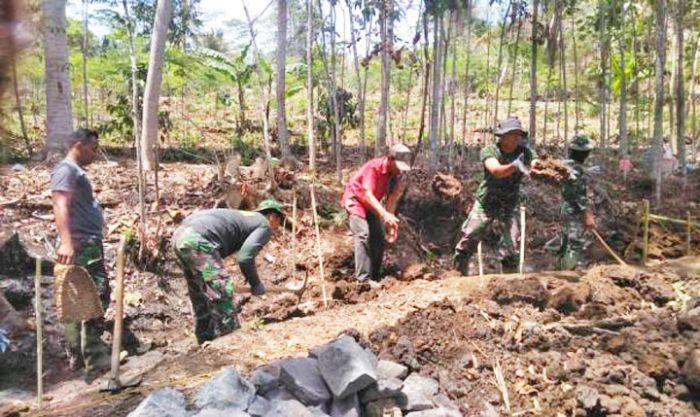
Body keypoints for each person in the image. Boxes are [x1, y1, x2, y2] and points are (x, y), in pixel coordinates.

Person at [172, 200, 285, 344]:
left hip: (180, 236)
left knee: (199, 291)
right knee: (222, 289)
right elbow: (245, 257)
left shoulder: (244, 218)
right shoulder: (263, 223)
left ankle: (205, 337)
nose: (277, 227)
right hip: (198, 239)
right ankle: (230, 340)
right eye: (279, 222)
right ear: (272, 216)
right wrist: (256, 284)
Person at [50, 128, 111, 373]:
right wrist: (66, 241)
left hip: (83, 242)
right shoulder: (66, 170)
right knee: (98, 294)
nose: (95, 154)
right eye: (93, 148)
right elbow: (59, 203)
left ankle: (78, 355)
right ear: (78, 144)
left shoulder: (73, 172)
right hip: (80, 243)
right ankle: (94, 355)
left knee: (75, 299)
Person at [454, 117, 539, 275]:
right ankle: (458, 274)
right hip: (487, 201)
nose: (516, 138)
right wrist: (514, 166)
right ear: (503, 136)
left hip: (509, 203)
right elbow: (496, 171)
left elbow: (536, 164)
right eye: (512, 134)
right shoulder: (490, 151)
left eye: (518, 135)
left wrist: (540, 168)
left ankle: (509, 281)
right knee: (470, 237)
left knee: (511, 246)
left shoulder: (524, 152)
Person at [341, 144, 411, 283]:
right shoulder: (374, 167)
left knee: (378, 236)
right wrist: (384, 214)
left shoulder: (395, 176)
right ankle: (363, 280)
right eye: (397, 166)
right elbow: (367, 193)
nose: (399, 170)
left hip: (372, 205)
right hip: (356, 201)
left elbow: (391, 199)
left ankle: (375, 275)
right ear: (390, 159)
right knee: (363, 234)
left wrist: (390, 223)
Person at [557, 135, 596, 270]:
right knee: (574, 244)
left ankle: (560, 272)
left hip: (565, 208)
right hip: (574, 211)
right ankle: (567, 275)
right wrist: (587, 215)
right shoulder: (576, 170)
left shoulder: (566, 165)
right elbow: (579, 195)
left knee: (566, 242)